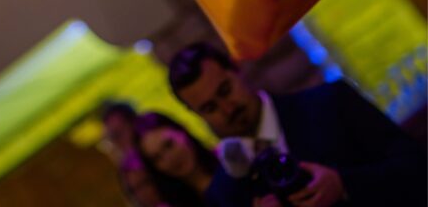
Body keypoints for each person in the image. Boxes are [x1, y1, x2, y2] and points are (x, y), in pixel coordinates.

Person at [167, 41, 427, 207]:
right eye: (209, 108)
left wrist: (344, 184)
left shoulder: (330, 103)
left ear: (237, 70)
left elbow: (417, 167)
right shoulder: (224, 194)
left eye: (225, 90)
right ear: (196, 115)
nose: (227, 109)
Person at [134, 111, 218, 206]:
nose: (170, 158)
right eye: (157, 158)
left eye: (169, 145)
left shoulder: (228, 158)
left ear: (183, 131)